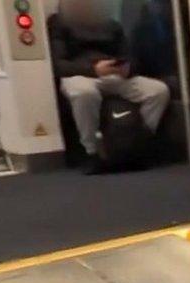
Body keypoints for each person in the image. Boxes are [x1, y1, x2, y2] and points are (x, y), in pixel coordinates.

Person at [48, 0, 170, 174]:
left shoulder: (112, 25)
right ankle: (90, 151)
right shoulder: (58, 23)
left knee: (158, 91)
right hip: (80, 74)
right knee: (85, 93)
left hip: (114, 75)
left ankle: (138, 143)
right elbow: (59, 65)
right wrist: (93, 69)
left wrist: (127, 69)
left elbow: (129, 57)